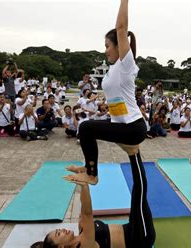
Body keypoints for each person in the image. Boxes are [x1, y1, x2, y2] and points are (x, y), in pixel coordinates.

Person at [66, 0, 149, 185]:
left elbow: (121, 27)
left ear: (119, 45)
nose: (105, 51)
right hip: (122, 124)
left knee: (86, 127)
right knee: (88, 127)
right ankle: (88, 168)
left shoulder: (127, 64)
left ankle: (91, 174)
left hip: (133, 127)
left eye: (107, 46)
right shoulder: (113, 69)